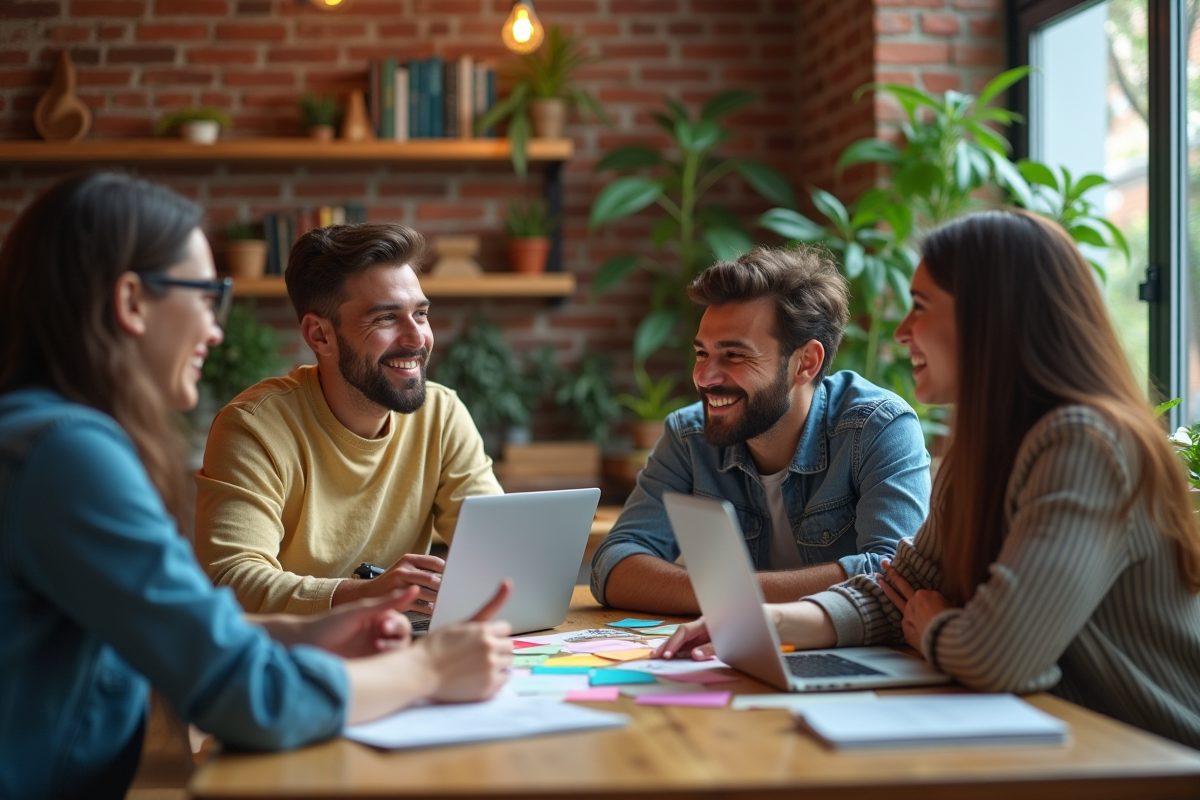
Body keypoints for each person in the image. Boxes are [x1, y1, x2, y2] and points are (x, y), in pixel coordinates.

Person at [0, 173, 514, 799]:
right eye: (204, 295)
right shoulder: (66, 455)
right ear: (132, 303)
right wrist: (430, 667)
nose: (216, 331)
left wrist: (309, 631)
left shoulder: (39, 436)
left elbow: (182, 626)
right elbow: (245, 696)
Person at [657, 210, 1200, 748]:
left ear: (990, 316)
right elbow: (903, 590)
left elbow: (998, 654)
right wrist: (772, 623)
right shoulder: (982, 450)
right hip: (1063, 747)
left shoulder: (1088, 443)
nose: (901, 332)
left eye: (920, 308)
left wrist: (937, 625)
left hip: (1153, 762)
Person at [592, 245, 931, 614]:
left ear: (806, 363)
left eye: (734, 355)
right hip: (736, 657)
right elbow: (615, 564)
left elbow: (897, 579)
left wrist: (728, 595)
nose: (703, 377)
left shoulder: (877, 428)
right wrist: (738, 597)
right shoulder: (689, 436)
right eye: (702, 353)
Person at [194, 222, 502, 614]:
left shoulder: (441, 414)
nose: (417, 338)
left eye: (420, 314)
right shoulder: (253, 428)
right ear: (319, 335)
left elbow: (498, 551)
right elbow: (231, 579)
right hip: (293, 656)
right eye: (387, 318)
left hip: (401, 644)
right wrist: (365, 596)